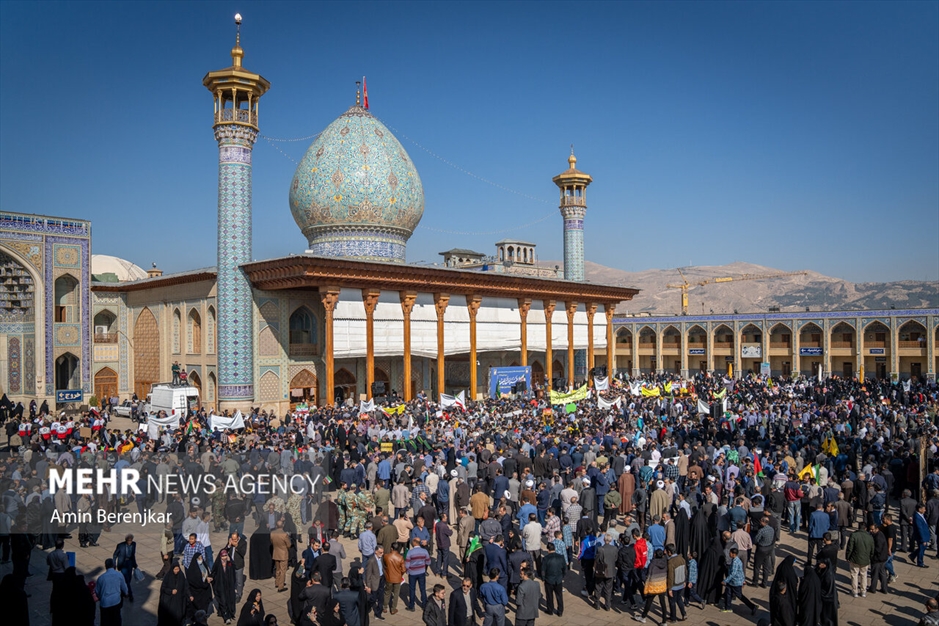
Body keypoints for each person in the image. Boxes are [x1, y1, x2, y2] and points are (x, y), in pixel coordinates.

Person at [632, 548, 668, 624]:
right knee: (663, 604)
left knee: (648, 602)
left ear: (655, 555)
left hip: (653, 586)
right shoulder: (665, 563)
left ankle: (643, 617)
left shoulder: (652, 564)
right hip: (662, 585)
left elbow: (648, 575)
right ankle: (664, 621)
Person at [721, 547, 757, 615]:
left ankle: (752, 606)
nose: (729, 554)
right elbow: (741, 572)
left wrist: (725, 580)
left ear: (734, 554)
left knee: (740, 596)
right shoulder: (737, 560)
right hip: (733, 582)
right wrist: (743, 580)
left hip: (735, 582)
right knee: (728, 593)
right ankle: (727, 607)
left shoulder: (735, 562)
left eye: (730, 553)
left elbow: (733, 573)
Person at [845, 521, 874, 597]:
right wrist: (870, 558)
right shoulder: (870, 537)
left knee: (854, 575)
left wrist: (848, 557)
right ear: (865, 528)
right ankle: (863, 591)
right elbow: (872, 549)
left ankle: (855, 591)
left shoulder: (854, 535)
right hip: (865, 559)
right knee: (864, 575)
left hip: (855, 559)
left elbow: (850, 548)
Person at [96, 558, 129, 626]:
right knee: (116, 620)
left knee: (105, 622)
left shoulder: (101, 578)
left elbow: (97, 591)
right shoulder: (119, 575)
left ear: (105, 566)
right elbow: (124, 586)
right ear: (114, 565)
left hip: (105, 603)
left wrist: (100, 597)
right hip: (116, 601)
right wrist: (126, 593)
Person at [158, 560, 189, 626]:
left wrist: (189, 595)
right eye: (175, 569)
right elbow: (163, 588)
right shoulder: (168, 577)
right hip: (170, 601)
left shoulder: (181, 576)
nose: (176, 571)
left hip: (179, 601)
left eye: (178, 569)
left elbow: (185, 586)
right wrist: (171, 591)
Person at [212, 549, 238, 624]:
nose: (224, 557)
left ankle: (230, 614)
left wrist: (230, 562)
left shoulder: (229, 563)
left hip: (229, 587)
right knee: (223, 601)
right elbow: (214, 572)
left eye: (225, 555)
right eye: (223, 556)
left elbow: (234, 570)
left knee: (230, 600)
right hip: (221, 587)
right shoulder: (218, 564)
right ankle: (226, 616)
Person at [405, 536, 431, 611]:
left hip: (412, 573)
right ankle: (424, 604)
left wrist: (408, 570)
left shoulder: (410, 552)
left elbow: (407, 564)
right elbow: (428, 562)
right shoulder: (424, 551)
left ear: (414, 542)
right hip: (422, 572)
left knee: (412, 589)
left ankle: (411, 606)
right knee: (422, 589)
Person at [593, 532, 617, 611]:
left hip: (601, 570)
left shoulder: (600, 549)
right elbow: (615, 559)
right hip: (610, 571)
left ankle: (597, 603)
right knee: (608, 589)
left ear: (604, 539)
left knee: (598, 587)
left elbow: (597, 559)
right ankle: (607, 605)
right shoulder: (614, 549)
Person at [186, 552, 214, 618]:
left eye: (201, 558)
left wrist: (208, 578)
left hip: (205, 590)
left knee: (205, 604)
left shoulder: (203, 565)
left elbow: (207, 572)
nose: (200, 559)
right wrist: (205, 582)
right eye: (199, 558)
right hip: (197, 591)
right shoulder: (192, 569)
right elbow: (194, 581)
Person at [541, 542, 565, 617]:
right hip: (558, 579)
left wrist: (543, 578)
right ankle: (560, 611)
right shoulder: (561, 557)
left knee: (549, 596)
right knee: (559, 596)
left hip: (549, 580)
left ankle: (550, 610)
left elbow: (543, 570)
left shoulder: (546, 558)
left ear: (548, 549)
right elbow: (564, 568)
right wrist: (562, 576)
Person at [113, 534, 138, 603]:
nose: (130, 542)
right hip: (123, 563)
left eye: (131, 540)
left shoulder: (134, 544)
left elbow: (133, 555)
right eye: (128, 541)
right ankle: (130, 594)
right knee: (126, 579)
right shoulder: (120, 546)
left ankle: (123, 590)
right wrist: (114, 564)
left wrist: (134, 564)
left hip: (129, 562)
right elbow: (115, 555)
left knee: (129, 578)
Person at [383, 540, 405, 615]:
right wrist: (400, 574)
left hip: (389, 577)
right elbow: (404, 569)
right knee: (396, 594)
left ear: (391, 548)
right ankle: (393, 609)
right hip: (397, 578)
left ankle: (384, 607)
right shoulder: (400, 558)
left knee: (387, 592)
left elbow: (385, 565)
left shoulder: (386, 556)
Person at [270, 518, 292, 592]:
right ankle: (281, 586)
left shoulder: (272, 533)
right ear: (282, 525)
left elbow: (272, 542)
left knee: (277, 569)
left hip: (276, 553)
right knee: (283, 570)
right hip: (283, 554)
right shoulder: (284, 534)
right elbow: (288, 545)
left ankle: (277, 582)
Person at [817, 558, 839, 626]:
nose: (820, 565)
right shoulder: (826, 572)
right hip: (828, 598)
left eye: (822, 564)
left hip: (828, 599)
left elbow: (827, 588)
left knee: (828, 616)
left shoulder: (828, 576)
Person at [913, 503, 932, 568]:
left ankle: (912, 555)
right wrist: (923, 539)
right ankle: (920, 562)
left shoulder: (920, 515)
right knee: (922, 549)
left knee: (923, 547)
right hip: (921, 536)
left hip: (924, 535)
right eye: (924, 509)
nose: (925, 510)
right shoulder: (917, 517)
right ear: (919, 509)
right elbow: (919, 529)